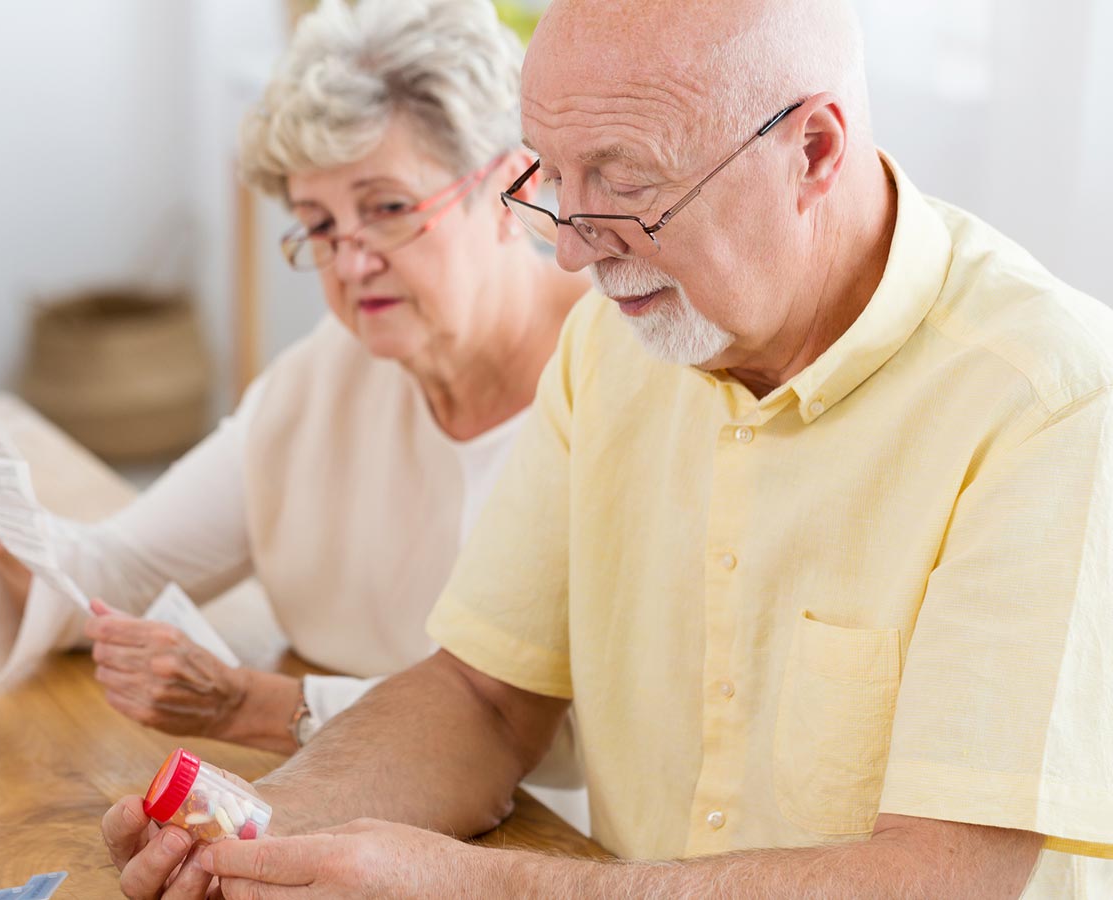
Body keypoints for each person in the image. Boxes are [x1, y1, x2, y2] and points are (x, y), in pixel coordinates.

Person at [99, 0, 1113, 896]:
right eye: (554, 179)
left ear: (812, 151)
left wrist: (484, 887)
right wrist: (262, 827)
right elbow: (482, 700)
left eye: (625, 184)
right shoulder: (611, 341)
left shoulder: (1050, 401)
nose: (574, 247)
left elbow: (948, 877)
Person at [0, 0, 588, 811]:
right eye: (318, 226)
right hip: (345, 806)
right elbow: (123, 573)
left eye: (388, 208)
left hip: (549, 844)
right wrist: (2, 528)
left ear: (514, 186)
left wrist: (257, 705)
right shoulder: (323, 382)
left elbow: (558, 736)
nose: (352, 261)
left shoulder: (616, 377)